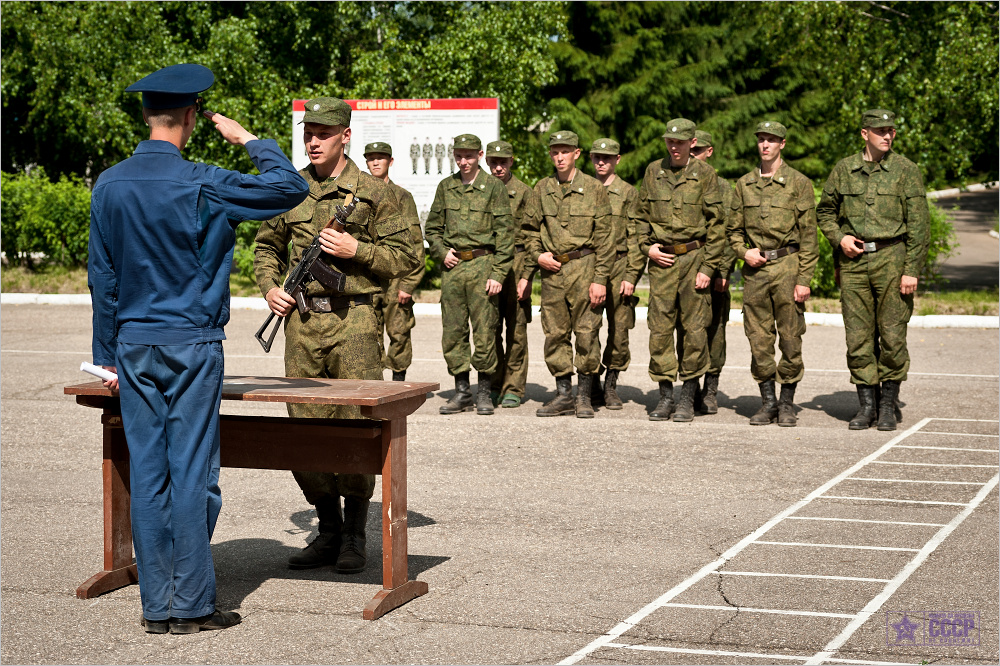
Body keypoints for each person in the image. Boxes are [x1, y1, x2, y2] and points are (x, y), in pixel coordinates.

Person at [88, 64, 309, 634]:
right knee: (190, 472)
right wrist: (250, 140)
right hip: (191, 345)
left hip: (133, 345)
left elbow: (102, 279)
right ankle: (189, 606)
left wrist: (106, 356)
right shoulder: (203, 181)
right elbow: (291, 188)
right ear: (190, 117)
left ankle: (154, 607)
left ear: (145, 116)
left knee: (149, 472)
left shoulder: (108, 184)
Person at [253, 98, 418, 573]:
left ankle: (354, 534)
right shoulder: (289, 188)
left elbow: (407, 258)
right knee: (304, 427)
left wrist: (357, 249)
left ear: (346, 135)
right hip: (302, 326)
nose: (313, 140)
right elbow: (267, 245)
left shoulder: (377, 193)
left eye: (324, 133)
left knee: (355, 427)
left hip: (355, 324)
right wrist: (269, 288)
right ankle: (326, 530)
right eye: (309, 132)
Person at [816, 109, 929, 431]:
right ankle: (866, 405)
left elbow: (919, 224)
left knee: (892, 335)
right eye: (880, 130)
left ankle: (888, 404)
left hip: (892, 259)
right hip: (854, 264)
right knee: (858, 337)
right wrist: (839, 239)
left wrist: (911, 270)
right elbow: (825, 212)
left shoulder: (906, 170)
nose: (887, 135)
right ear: (865, 133)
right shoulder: (844, 169)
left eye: (891, 130)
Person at [634, 118, 724, 422]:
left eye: (680, 142)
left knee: (695, 330)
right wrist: (647, 248)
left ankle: (687, 397)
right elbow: (638, 217)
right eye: (670, 142)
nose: (674, 147)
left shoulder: (705, 174)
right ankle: (665, 396)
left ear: (691, 144)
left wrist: (708, 267)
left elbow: (718, 223)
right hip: (662, 262)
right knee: (659, 329)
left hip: (694, 260)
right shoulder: (653, 171)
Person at [728, 121, 818, 427]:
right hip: (756, 270)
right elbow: (733, 231)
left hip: (788, 266)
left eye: (772, 140)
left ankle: (787, 403)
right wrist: (744, 252)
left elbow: (808, 236)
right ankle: (767, 402)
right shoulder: (743, 184)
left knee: (791, 336)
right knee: (758, 338)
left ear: (782, 144)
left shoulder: (798, 182)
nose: (765, 145)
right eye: (761, 140)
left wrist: (804, 279)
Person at [523, 130, 614, 418]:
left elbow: (606, 238)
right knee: (555, 333)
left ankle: (584, 397)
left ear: (576, 153)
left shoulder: (594, 189)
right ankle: (563, 395)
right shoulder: (541, 189)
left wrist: (600, 279)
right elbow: (528, 231)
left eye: (565, 151)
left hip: (584, 268)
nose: (559, 156)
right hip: (553, 272)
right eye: (555, 152)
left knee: (587, 332)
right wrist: (538, 256)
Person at [424, 134, 514, 415]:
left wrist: (498, 273)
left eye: (469, 156)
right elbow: (432, 229)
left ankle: (484, 392)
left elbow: (505, 235)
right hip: (453, 269)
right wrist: (441, 253)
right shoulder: (446, 186)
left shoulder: (493, 188)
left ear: (480, 155)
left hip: (482, 266)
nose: (464, 162)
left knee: (486, 330)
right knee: (453, 331)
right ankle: (462, 391)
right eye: (459, 156)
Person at [485, 140, 541, 408]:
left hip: (518, 262)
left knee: (517, 329)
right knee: (491, 327)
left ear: (511, 162)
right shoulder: (481, 190)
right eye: (494, 162)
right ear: (487, 162)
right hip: (490, 261)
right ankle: (495, 383)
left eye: (503, 162)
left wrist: (527, 275)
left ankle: (514, 388)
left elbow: (532, 236)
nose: (498, 167)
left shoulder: (525, 192)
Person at [589, 138, 644, 409]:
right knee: (588, 328)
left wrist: (632, 275)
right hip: (589, 266)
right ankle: (592, 384)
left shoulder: (628, 193)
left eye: (607, 158)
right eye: (597, 157)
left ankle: (611, 384)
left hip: (621, 265)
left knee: (619, 329)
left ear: (617, 160)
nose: (601, 162)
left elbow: (636, 236)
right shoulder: (584, 189)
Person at [364, 141, 426, 381]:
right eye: (371, 158)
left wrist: (408, 283)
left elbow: (415, 243)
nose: (376, 162)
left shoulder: (402, 197)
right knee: (369, 332)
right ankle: (375, 385)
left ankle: (398, 382)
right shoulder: (359, 194)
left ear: (390, 161)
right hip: (368, 275)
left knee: (399, 331)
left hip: (396, 276)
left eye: (381, 157)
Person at [686, 130, 737, 415]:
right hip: (689, 269)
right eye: (691, 151)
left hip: (715, 270)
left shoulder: (722, 188)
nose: (694, 156)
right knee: (689, 331)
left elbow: (730, 231)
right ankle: (690, 387)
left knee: (714, 330)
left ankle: (711, 388)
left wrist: (723, 269)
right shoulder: (682, 182)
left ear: (709, 152)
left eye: (699, 151)